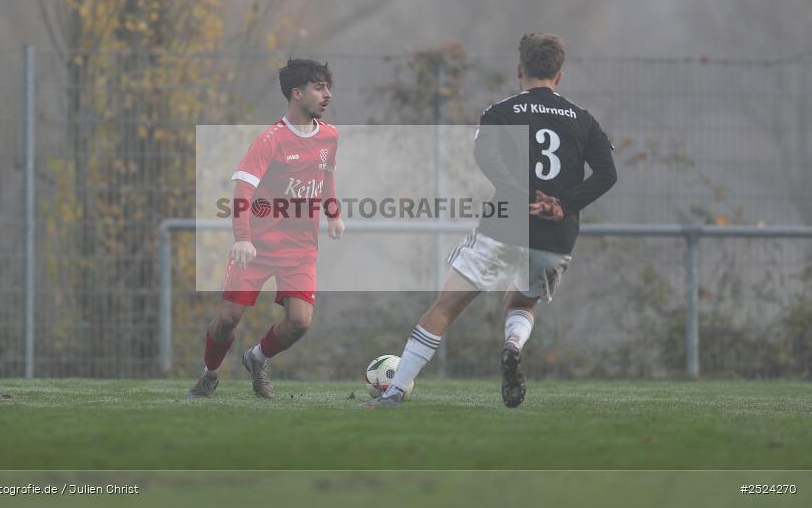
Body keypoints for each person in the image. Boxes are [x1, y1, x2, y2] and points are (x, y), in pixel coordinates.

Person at [367, 33, 617, 408]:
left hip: (506, 224)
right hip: (557, 235)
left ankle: (396, 391)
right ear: (560, 76)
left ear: (519, 70)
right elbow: (606, 173)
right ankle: (513, 346)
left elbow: (486, 158)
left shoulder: (501, 111)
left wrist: (522, 196)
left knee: (445, 307)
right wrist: (561, 204)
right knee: (521, 303)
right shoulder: (584, 120)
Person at [187, 58, 344, 399]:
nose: (327, 94)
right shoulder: (270, 140)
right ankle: (209, 373)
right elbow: (243, 189)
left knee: (300, 322)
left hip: (300, 248)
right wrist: (243, 238)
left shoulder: (330, 136)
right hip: (258, 245)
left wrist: (333, 213)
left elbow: (326, 177)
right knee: (228, 319)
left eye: (328, 87)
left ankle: (257, 359)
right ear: (297, 93)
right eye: (319, 88)